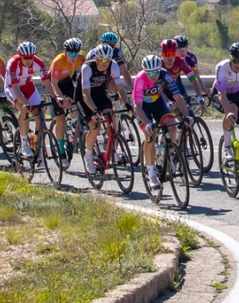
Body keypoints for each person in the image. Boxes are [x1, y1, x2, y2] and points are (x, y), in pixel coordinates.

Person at [133, 53, 189, 189]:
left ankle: (168, 154)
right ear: (145, 71)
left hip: (158, 103)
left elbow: (178, 96)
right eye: (150, 72)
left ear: (160, 69)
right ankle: (151, 173)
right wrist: (147, 123)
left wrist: (187, 115)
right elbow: (137, 107)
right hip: (143, 108)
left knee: (173, 126)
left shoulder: (165, 75)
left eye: (156, 72)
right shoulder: (140, 79)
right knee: (150, 135)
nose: (153, 75)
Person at [75, 43, 125, 174]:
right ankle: (89, 155)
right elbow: (85, 95)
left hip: (100, 93)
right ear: (96, 58)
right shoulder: (87, 68)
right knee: (95, 126)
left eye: (107, 60)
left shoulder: (113, 65)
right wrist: (95, 110)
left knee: (111, 118)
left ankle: (110, 148)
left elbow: (120, 88)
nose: (105, 63)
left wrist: (128, 104)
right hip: (84, 96)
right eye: (102, 60)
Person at [5, 42, 49, 159]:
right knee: (24, 108)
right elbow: (16, 89)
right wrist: (25, 102)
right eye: (26, 58)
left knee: (40, 111)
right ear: (20, 56)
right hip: (13, 88)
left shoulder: (38, 62)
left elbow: (47, 84)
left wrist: (56, 97)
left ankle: (36, 142)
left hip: (28, 86)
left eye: (31, 57)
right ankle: (24, 143)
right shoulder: (13, 64)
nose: (29, 60)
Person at [48, 37, 85, 168]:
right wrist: (61, 98)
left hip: (67, 82)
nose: (74, 56)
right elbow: (53, 84)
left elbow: (86, 72)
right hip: (55, 85)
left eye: (76, 53)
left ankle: (74, 126)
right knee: (60, 120)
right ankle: (61, 151)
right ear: (65, 53)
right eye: (71, 54)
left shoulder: (81, 58)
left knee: (76, 104)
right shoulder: (58, 61)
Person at [160, 38, 207, 107]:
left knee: (187, 111)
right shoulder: (158, 64)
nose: (170, 57)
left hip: (174, 88)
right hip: (161, 91)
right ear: (162, 54)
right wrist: (167, 100)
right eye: (167, 54)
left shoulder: (181, 62)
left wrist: (199, 96)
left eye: (172, 53)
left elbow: (193, 79)